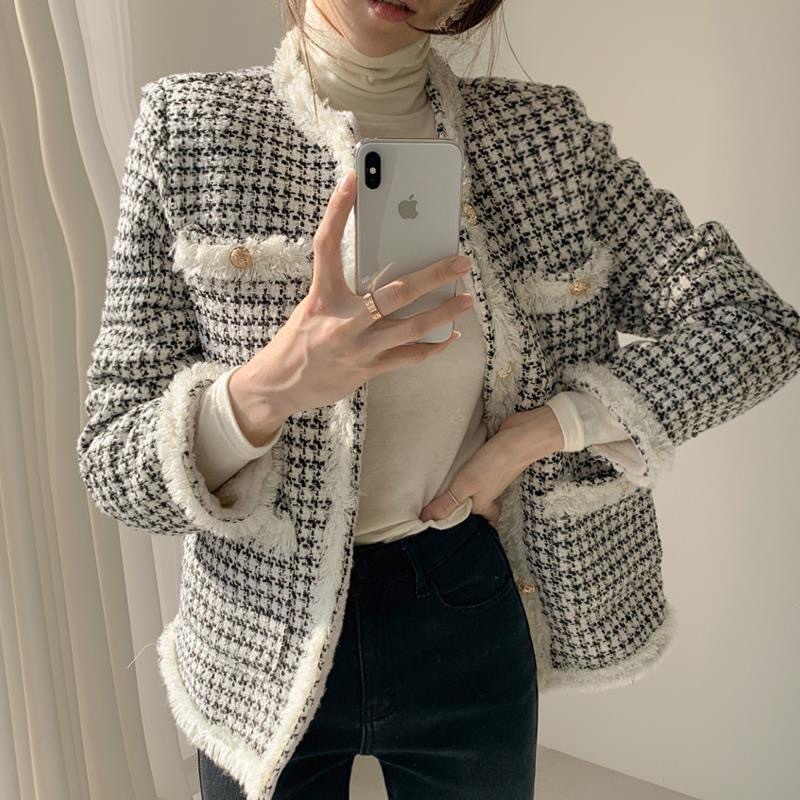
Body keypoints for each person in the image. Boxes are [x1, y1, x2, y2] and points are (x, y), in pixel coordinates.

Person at [76, 1, 800, 798]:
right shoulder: (190, 130)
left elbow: (756, 325)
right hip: (255, 636)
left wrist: (541, 432)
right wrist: (266, 388)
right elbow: (113, 460)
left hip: (464, 600)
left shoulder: (547, 142)